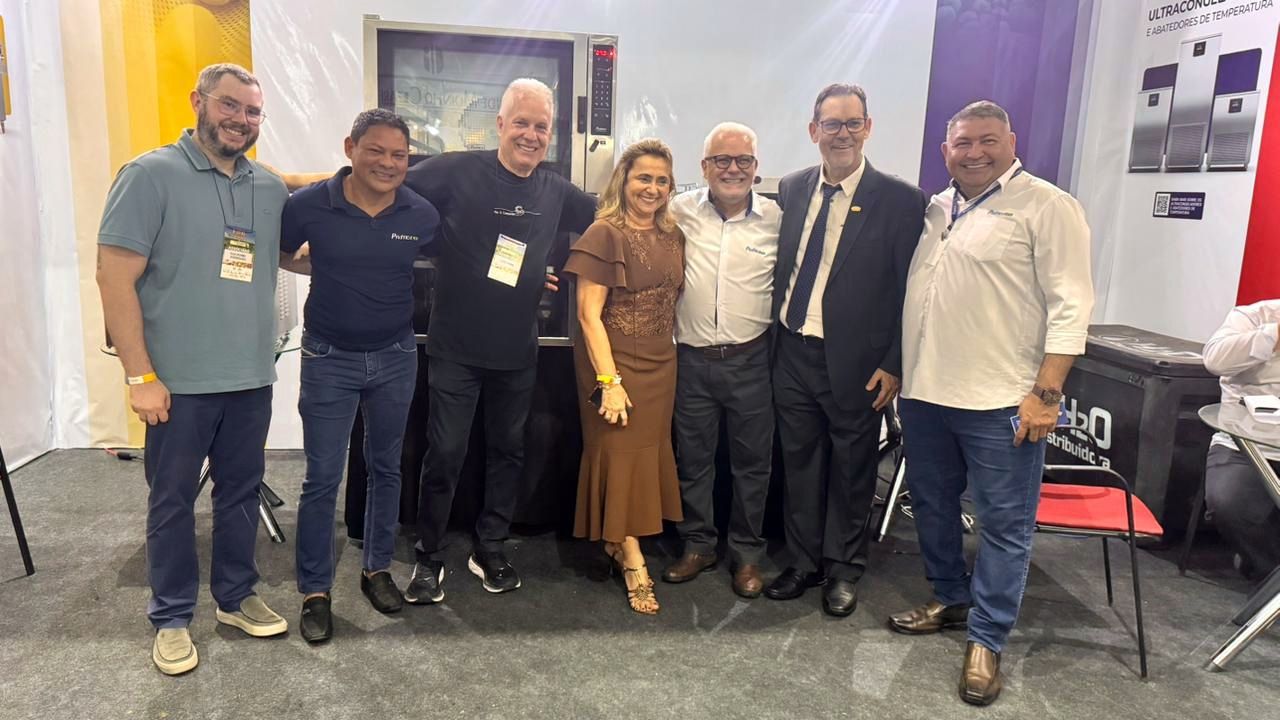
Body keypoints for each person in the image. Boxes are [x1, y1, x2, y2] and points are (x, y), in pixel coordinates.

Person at [891, 100, 1094, 706]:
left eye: (986, 140)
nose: (974, 152)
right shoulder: (935, 208)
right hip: (926, 393)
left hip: (1002, 402)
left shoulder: (1048, 206)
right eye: (961, 143)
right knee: (930, 503)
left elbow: (1072, 306)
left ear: (1011, 140)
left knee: (1004, 526)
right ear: (944, 150)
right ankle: (949, 597)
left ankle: (987, 637)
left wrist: (1044, 395)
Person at [96, 63, 290, 675]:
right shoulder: (149, 175)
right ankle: (172, 615)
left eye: (253, 112)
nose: (241, 120)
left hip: (251, 378)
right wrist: (139, 376)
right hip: (177, 384)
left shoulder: (269, 187)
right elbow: (113, 278)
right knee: (173, 501)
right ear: (199, 102)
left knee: (238, 495)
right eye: (230, 106)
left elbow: (290, 252)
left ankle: (234, 597)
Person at [400, 78, 597, 603]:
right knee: (444, 453)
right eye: (522, 123)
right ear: (500, 125)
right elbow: (389, 182)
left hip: (517, 349)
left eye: (541, 126)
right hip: (455, 347)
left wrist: (559, 268)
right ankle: (429, 555)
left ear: (550, 134)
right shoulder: (459, 169)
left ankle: (490, 546)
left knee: (508, 452)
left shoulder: (556, 188)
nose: (530, 135)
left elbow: (609, 220)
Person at [765, 84, 927, 618]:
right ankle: (803, 562)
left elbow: (912, 290)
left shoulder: (902, 200)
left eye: (853, 123)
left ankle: (843, 569)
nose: (843, 134)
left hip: (859, 365)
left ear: (868, 128)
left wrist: (895, 363)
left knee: (854, 467)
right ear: (814, 131)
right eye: (832, 124)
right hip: (791, 352)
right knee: (800, 465)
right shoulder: (790, 189)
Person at [279, 109, 440, 643]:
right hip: (329, 357)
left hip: (396, 354)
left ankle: (376, 570)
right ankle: (315, 591)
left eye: (399, 155)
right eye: (377, 150)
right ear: (351, 147)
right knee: (323, 478)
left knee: (386, 467)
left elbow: (449, 260)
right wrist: (314, 265)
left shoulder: (419, 213)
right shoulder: (309, 205)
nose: (388, 163)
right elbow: (279, 251)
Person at [563, 138, 684, 615]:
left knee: (643, 456)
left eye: (661, 180)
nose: (651, 188)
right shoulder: (603, 234)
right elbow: (588, 316)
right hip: (611, 362)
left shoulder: (673, 234)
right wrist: (609, 384)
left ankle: (618, 540)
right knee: (616, 451)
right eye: (643, 178)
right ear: (624, 181)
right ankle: (631, 556)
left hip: (661, 361)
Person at [663, 122, 781, 598]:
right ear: (704, 167)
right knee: (693, 460)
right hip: (690, 360)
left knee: (753, 464)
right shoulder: (678, 211)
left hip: (751, 360)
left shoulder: (776, 219)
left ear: (756, 169)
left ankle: (748, 555)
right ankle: (698, 545)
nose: (733, 169)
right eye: (722, 161)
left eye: (743, 161)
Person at [1202, 299, 1280, 583]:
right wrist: (1274, 335)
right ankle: (1269, 572)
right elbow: (1214, 359)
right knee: (1229, 502)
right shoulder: (1253, 316)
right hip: (1245, 446)